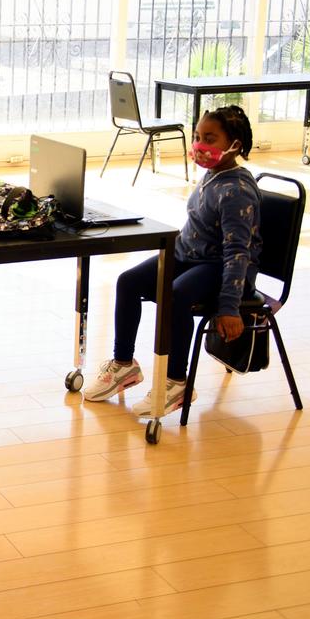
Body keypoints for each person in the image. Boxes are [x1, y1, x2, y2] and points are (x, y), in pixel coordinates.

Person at [83, 105, 262, 416]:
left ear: (235, 144)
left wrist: (229, 306)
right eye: (197, 136)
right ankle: (124, 365)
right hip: (191, 256)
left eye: (210, 138)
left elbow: (237, 252)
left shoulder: (237, 191)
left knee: (177, 294)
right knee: (128, 282)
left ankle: (177, 382)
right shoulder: (213, 175)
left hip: (221, 268)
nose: (200, 145)